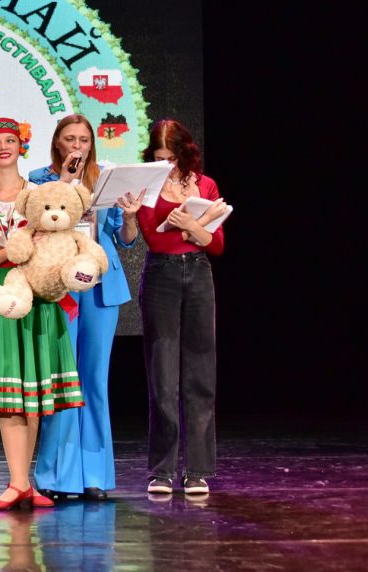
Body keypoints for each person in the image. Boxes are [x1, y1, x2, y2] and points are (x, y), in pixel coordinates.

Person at [0, 117, 84, 510]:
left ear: (21, 146)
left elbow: (62, 238)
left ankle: (22, 482)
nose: (3, 148)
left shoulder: (40, 195)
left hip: (39, 295)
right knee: (10, 391)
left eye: (10, 141)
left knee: (32, 391)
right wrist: (4, 253)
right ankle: (16, 482)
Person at [29, 114, 144, 502]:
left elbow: (125, 239)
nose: (77, 145)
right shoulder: (41, 179)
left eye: (83, 139)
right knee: (61, 378)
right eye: (70, 139)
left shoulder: (104, 179)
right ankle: (55, 474)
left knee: (94, 378)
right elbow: (38, 227)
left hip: (100, 287)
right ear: (57, 143)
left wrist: (131, 218)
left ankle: (95, 474)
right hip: (60, 285)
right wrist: (66, 181)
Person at [136, 119, 227, 496]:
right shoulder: (147, 185)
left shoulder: (205, 185)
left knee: (201, 374)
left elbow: (216, 245)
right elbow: (155, 240)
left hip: (199, 273)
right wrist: (195, 228)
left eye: (172, 157)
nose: (167, 164)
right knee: (163, 374)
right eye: (159, 157)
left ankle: (198, 470)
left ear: (185, 153)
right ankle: (162, 470)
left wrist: (193, 224)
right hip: (163, 274)